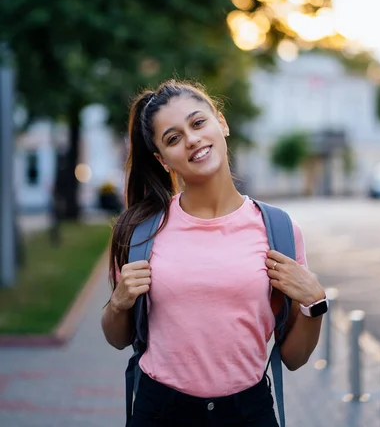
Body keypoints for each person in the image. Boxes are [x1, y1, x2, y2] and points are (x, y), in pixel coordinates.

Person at [101, 79, 327, 427]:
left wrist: (315, 304)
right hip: (160, 412)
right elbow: (117, 339)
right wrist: (118, 303)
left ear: (221, 123)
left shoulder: (278, 230)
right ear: (163, 160)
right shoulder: (140, 231)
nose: (191, 139)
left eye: (198, 123)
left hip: (248, 412)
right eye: (173, 138)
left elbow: (294, 358)